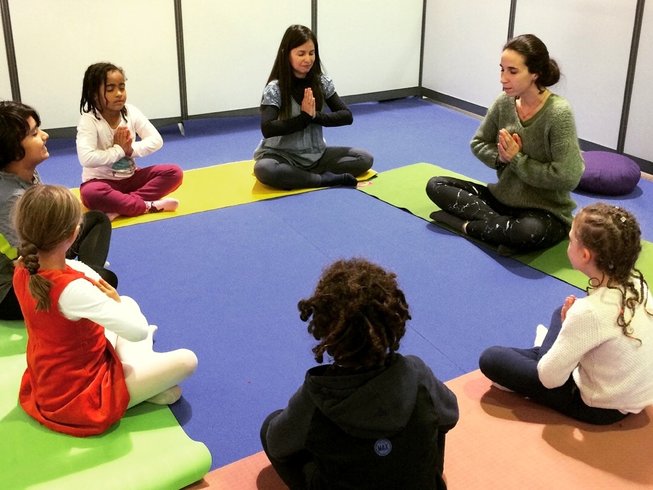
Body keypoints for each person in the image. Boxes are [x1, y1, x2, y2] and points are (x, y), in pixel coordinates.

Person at [13, 184, 198, 436]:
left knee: (128, 304)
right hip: (76, 396)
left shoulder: (25, 266)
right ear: (74, 233)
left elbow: (79, 273)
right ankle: (140, 382)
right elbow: (138, 332)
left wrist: (116, 302)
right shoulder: (72, 290)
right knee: (187, 360)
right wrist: (115, 302)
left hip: (50, 376)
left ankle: (144, 382)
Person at [260, 258, 459, 489]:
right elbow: (450, 416)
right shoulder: (416, 373)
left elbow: (277, 444)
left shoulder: (317, 395)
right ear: (394, 319)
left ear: (326, 329)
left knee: (271, 426)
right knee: (432, 414)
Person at [479, 203, 653, 425]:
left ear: (584, 255)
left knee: (492, 358)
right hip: (635, 395)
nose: (568, 245)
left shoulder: (588, 312)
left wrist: (560, 350)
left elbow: (549, 380)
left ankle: (546, 355)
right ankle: (553, 354)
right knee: (559, 314)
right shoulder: (637, 283)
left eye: (571, 240)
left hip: (598, 407)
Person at [426, 34, 584, 255]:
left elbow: (569, 177)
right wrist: (501, 158)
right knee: (436, 185)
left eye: (512, 71)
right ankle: (499, 229)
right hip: (501, 200)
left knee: (528, 232)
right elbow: (478, 142)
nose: (503, 78)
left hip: (545, 212)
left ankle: (468, 227)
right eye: (502, 69)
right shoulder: (504, 102)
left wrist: (517, 160)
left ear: (535, 73)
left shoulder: (559, 113)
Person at [0, 100, 116, 321]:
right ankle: (87, 277)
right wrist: (77, 279)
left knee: (97, 219)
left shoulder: (24, 173)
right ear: (13, 149)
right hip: (13, 287)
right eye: (34, 134)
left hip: (43, 251)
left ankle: (87, 272)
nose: (45, 136)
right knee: (105, 279)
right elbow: (31, 262)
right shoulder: (12, 200)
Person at [253, 25, 374, 190]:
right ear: (286, 54)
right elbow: (267, 128)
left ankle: (300, 176)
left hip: (316, 156)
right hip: (282, 156)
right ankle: (325, 179)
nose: (308, 59)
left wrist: (315, 116)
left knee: (364, 158)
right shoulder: (275, 88)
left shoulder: (321, 82)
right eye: (301, 54)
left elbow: (347, 116)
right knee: (264, 169)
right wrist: (304, 118)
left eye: (311, 53)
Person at [76, 62, 183, 221]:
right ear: (94, 94)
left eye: (122, 87)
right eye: (110, 89)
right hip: (101, 183)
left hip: (132, 179)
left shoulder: (131, 112)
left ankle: (122, 206)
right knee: (90, 194)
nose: (119, 93)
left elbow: (156, 140)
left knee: (174, 173)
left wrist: (130, 150)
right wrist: (119, 150)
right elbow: (86, 158)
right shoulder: (89, 120)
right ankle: (148, 205)